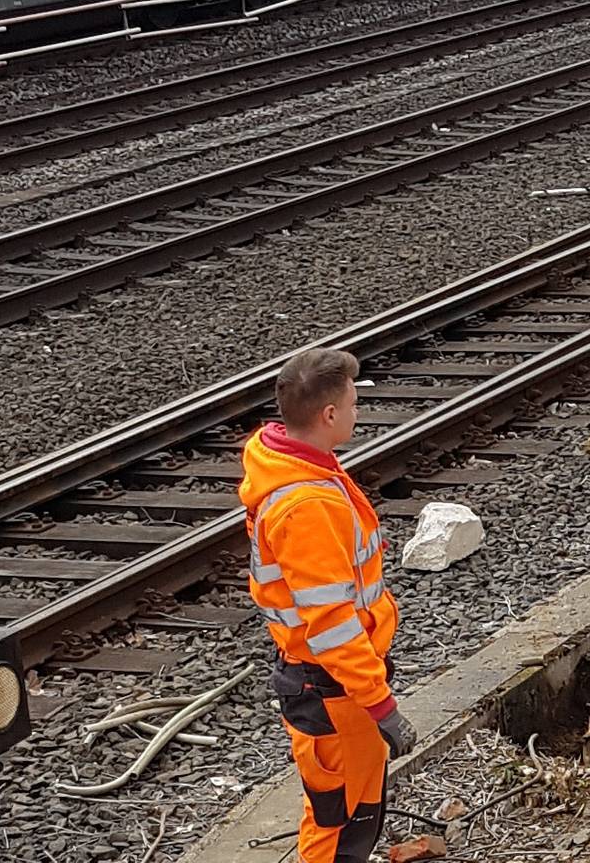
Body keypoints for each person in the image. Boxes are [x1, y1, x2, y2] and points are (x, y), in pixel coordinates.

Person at [240, 348, 415, 863]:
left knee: (345, 816)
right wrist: (380, 703)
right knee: (342, 825)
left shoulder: (297, 465)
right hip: (334, 688)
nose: (359, 412)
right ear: (329, 415)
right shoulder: (308, 506)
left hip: (327, 683)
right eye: (354, 404)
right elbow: (332, 623)